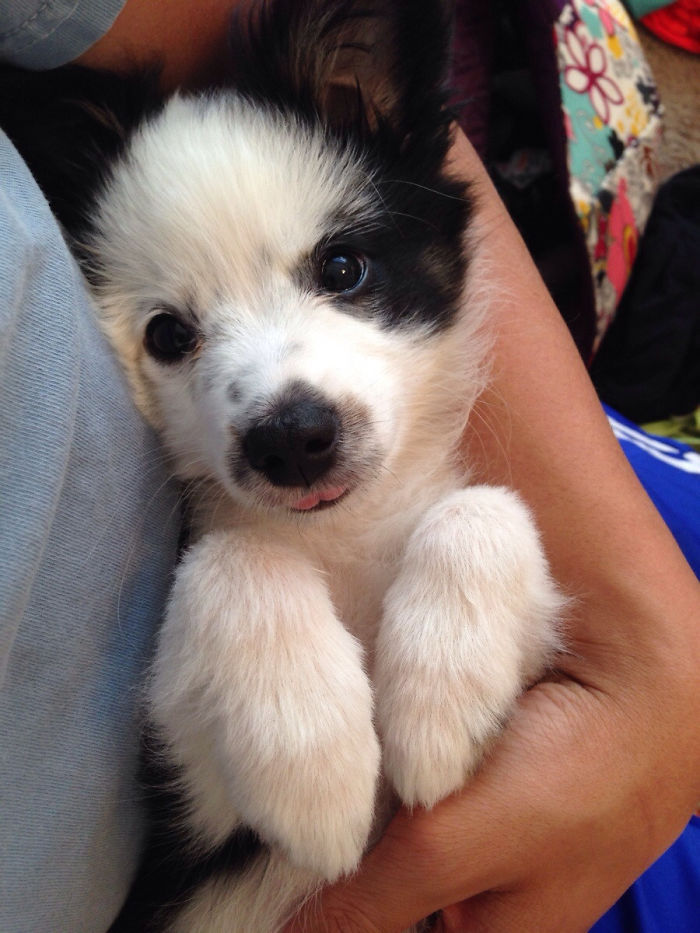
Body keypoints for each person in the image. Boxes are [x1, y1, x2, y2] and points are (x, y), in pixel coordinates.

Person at [0, 2, 697, 932]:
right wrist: (239, 590)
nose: (279, 412)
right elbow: (209, 811)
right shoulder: (197, 580)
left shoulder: (477, 518)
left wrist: (499, 556)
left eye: (336, 271)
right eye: (173, 336)